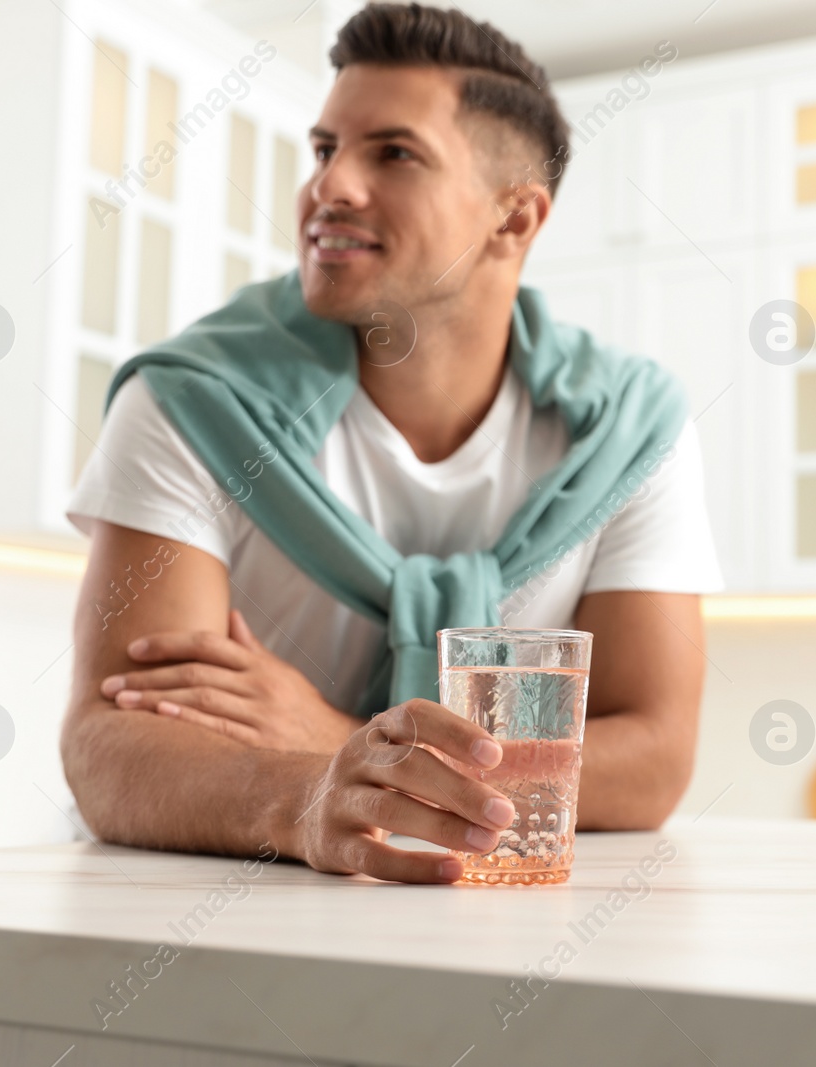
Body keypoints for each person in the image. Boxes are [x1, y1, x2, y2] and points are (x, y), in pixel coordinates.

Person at [60, 2, 722, 884]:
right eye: (326, 148)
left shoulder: (631, 430)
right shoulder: (190, 401)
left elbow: (653, 757)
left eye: (393, 153)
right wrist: (306, 796)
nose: (329, 187)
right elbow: (110, 741)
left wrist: (342, 743)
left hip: (499, 922)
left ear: (515, 219)